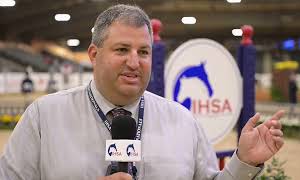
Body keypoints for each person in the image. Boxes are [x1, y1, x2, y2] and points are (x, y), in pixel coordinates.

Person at [0, 4, 284, 180]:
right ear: (93, 54)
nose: (134, 62)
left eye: (143, 52)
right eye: (122, 50)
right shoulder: (43, 117)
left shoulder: (182, 121)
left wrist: (244, 162)